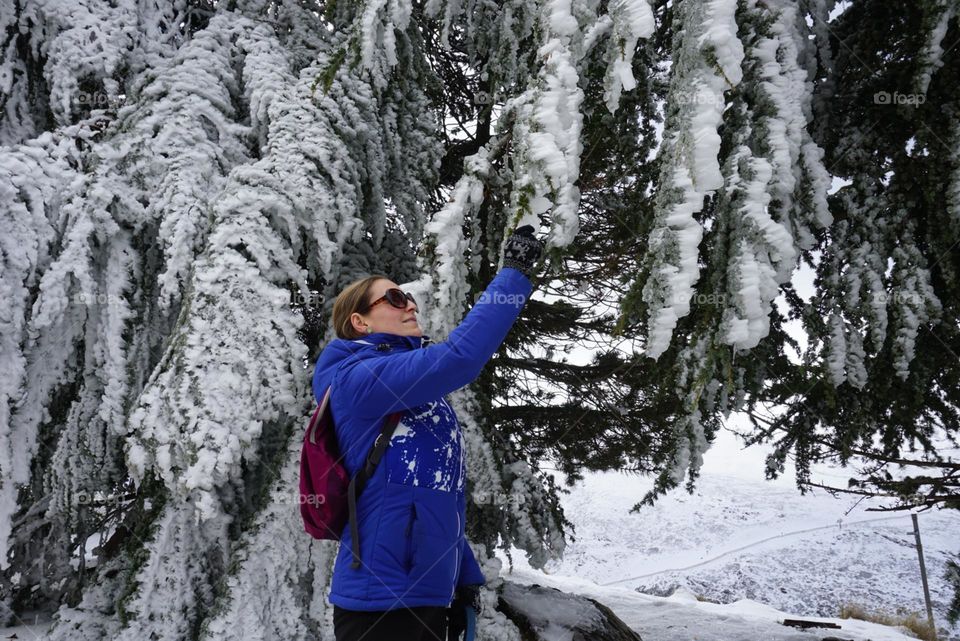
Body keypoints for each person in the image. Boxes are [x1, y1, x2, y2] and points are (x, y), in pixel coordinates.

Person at [311, 226, 545, 641]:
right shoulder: (357, 379)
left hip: (430, 597)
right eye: (395, 298)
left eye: (410, 297)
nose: (410, 305)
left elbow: (437, 496)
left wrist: (464, 580)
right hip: (379, 605)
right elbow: (459, 358)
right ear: (360, 321)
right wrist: (513, 275)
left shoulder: (419, 397)